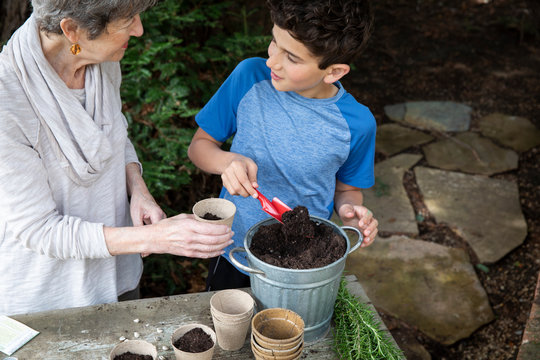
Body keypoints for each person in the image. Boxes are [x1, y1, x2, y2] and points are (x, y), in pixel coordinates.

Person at [0, 0, 234, 316]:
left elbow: (113, 134)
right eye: (128, 21)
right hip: (48, 300)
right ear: (72, 30)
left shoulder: (103, 58)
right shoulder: (8, 103)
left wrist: (137, 187)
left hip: (118, 275)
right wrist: (155, 238)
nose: (139, 29)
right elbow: (39, 229)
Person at [188, 0, 379, 291]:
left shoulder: (357, 124)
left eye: (291, 57)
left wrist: (352, 210)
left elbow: (347, 190)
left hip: (303, 266)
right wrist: (226, 162)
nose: (272, 62)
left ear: (334, 72)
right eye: (274, 43)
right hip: (234, 250)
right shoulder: (248, 78)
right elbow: (200, 146)